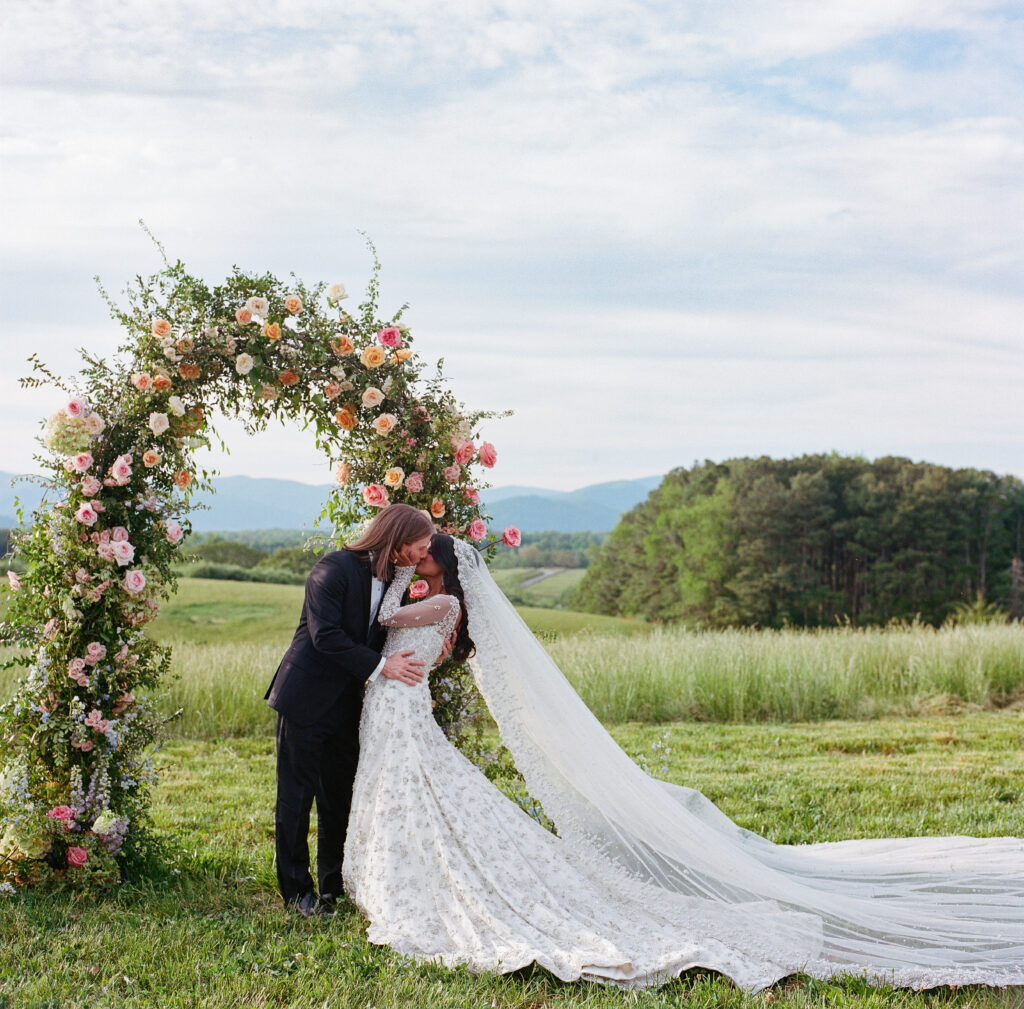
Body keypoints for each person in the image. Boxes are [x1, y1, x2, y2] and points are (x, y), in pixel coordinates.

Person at [342, 533, 1024, 991]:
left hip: (400, 699)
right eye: (413, 549)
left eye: (424, 551)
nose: (417, 557)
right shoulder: (440, 599)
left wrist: (394, 575)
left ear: (442, 564)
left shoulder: (439, 599)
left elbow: (387, 621)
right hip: (396, 705)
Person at [265, 504, 434, 917]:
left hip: (347, 703)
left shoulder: (395, 580)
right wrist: (382, 666)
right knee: (296, 797)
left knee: (339, 797)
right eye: (420, 546)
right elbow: (325, 636)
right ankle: (297, 892)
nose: (422, 554)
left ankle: (333, 885)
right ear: (398, 542)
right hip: (305, 697)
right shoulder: (332, 569)